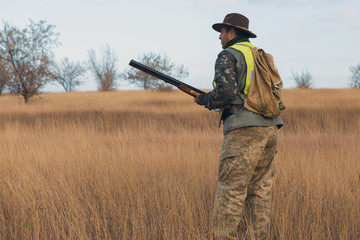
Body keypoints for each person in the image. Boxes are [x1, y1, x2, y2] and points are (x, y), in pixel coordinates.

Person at [191, 13, 283, 239]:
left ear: (232, 33)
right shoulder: (259, 55)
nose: (220, 37)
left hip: (244, 130)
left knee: (230, 192)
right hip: (270, 129)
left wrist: (204, 100)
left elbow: (225, 93)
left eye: (222, 31)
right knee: (260, 192)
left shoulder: (228, 54)